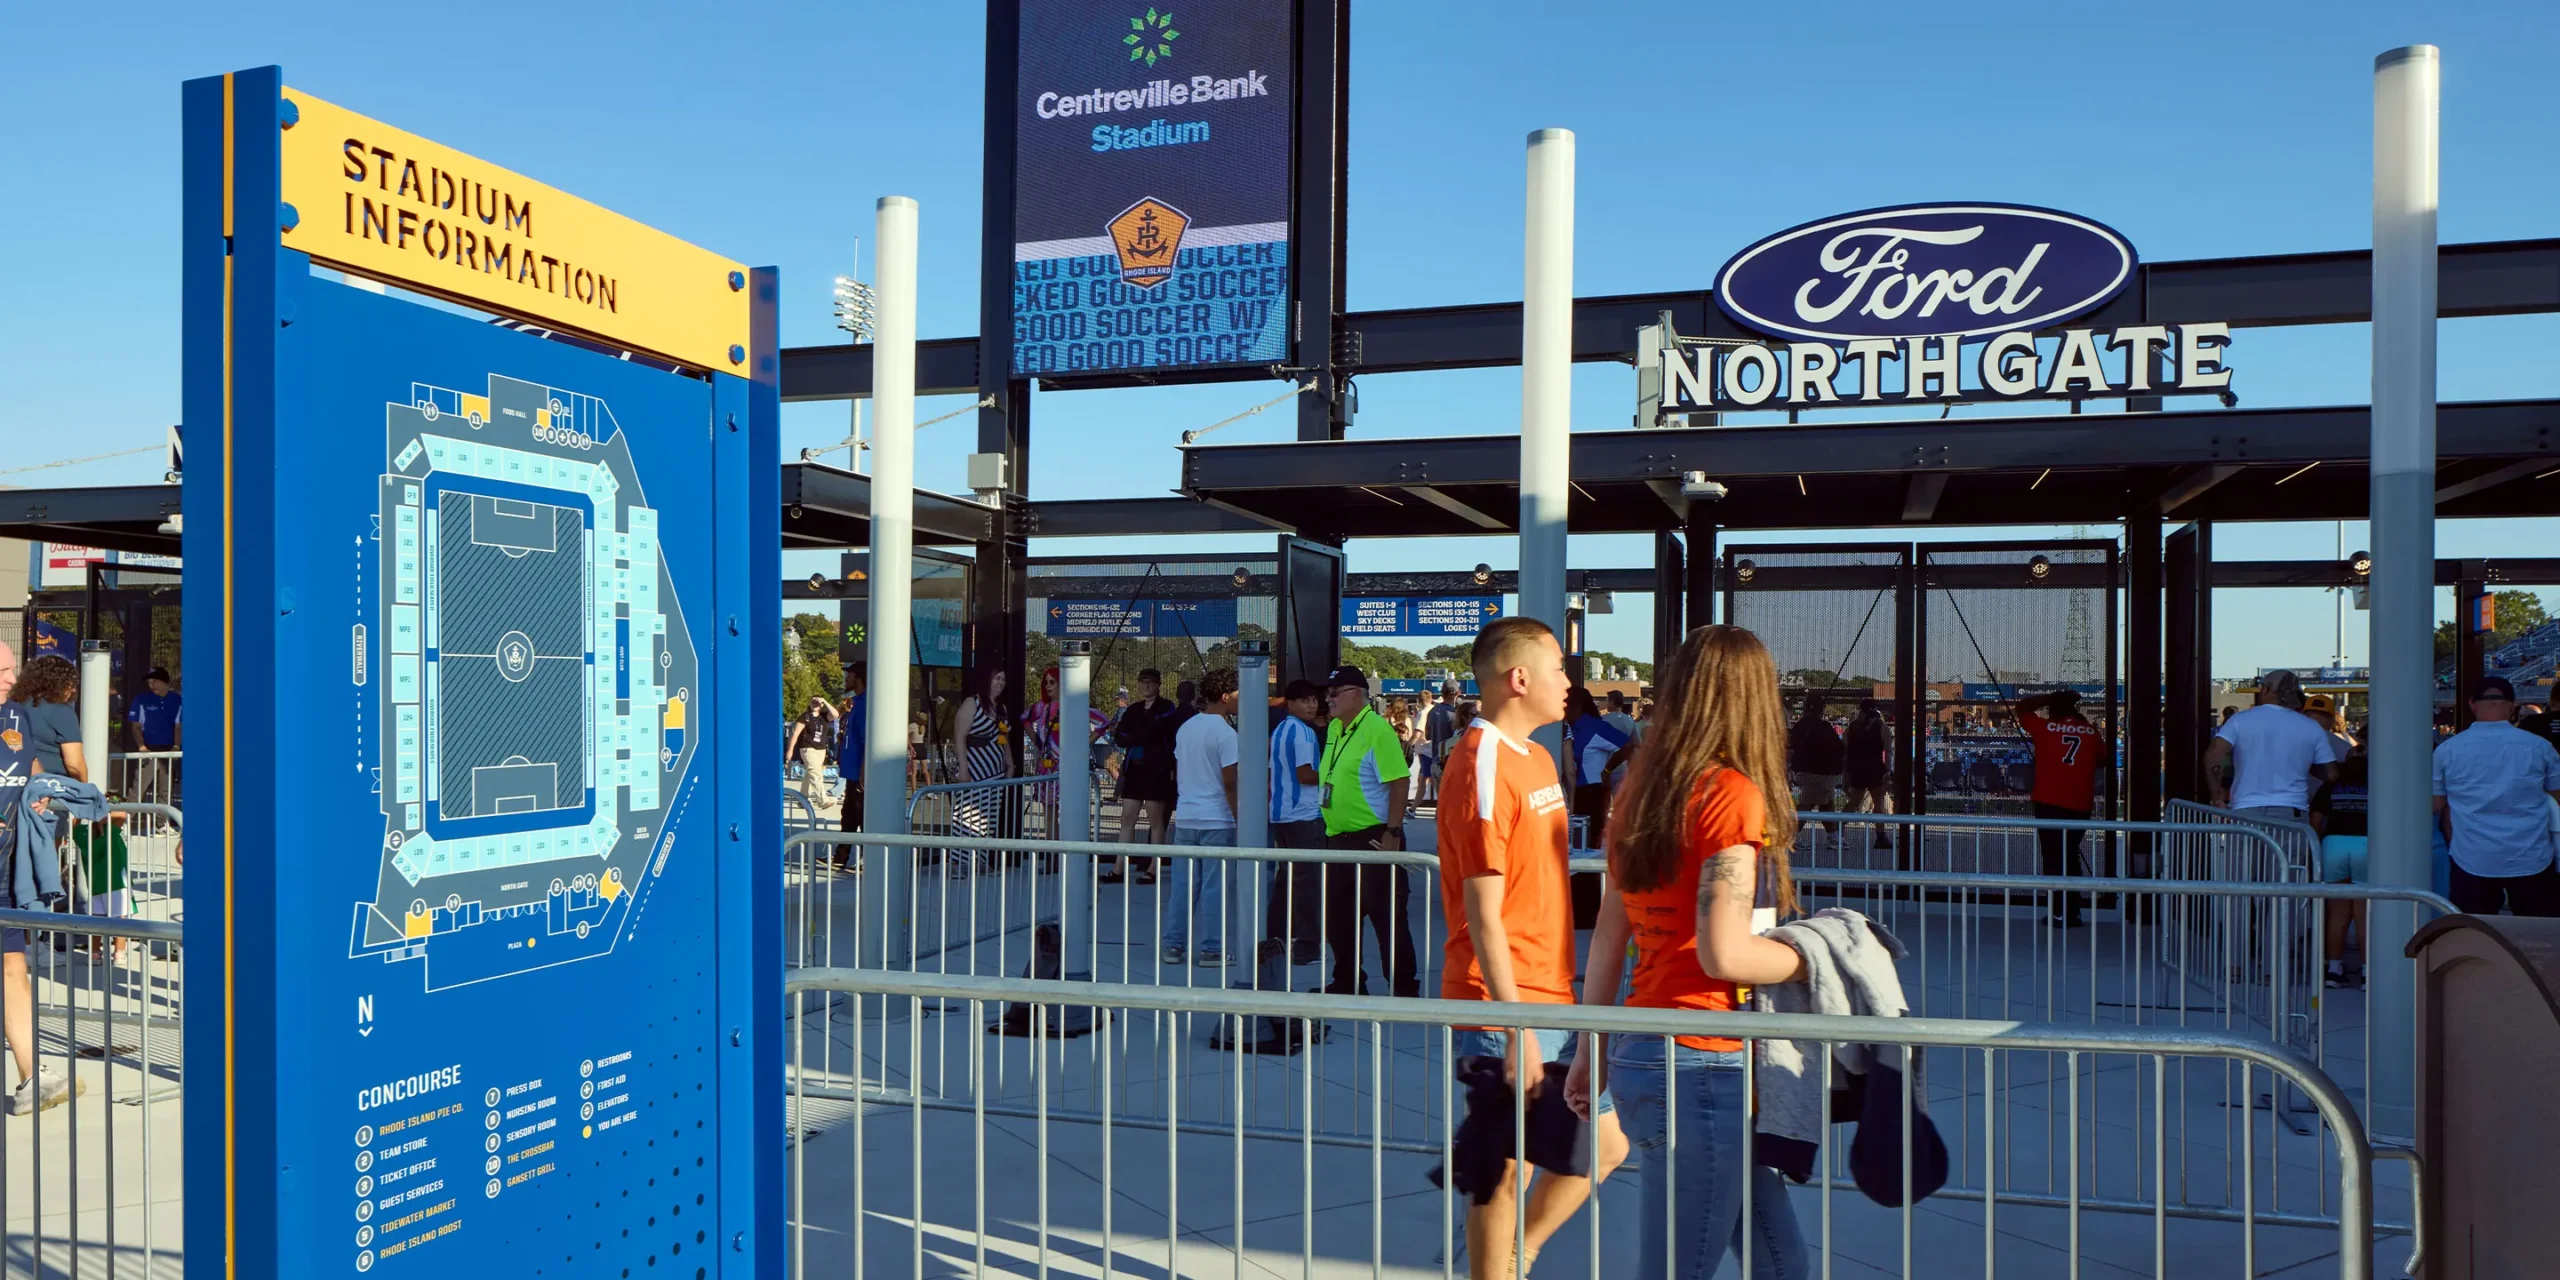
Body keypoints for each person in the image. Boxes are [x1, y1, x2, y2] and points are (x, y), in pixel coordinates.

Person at [1565, 624, 1810, 1280]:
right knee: (1683, 1264)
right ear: (1754, 699)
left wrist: (1591, 1049)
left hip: (1648, 1049)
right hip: (1702, 1060)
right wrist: (1816, 957)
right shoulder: (1730, 795)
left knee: (1780, 1256)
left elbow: (1610, 937)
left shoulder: (1638, 788)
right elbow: (1724, 954)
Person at [1437, 617, 1627, 1277]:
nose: (1569, 683)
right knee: (1504, 1165)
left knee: (1605, 1148)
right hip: (1504, 1004)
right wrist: (1517, 1027)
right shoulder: (1480, 762)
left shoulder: (1540, 757)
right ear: (1519, 679)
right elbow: (1484, 912)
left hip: (1554, 994)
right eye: (1558, 669)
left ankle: (1521, 1252)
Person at [0, 673, 78, 1116]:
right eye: (4, 671)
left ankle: (32, 1078)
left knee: (14, 969)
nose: (13, 678)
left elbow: (30, 767)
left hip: (6, 867)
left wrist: (42, 792)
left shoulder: (16, 715)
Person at [1317, 667, 1419, 997]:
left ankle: (1402, 988)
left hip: (1375, 838)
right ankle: (1347, 981)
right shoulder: (1335, 728)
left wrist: (1393, 831)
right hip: (1339, 839)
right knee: (1340, 919)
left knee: (1387, 917)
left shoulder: (1377, 730)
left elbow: (1399, 781)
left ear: (1358, 694)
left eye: (1336, 691)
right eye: (1327, 692)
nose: (1328, 698)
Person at [2432, 675, 2560, 916]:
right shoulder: (2539, 746)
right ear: (2513, 706)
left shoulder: (2448, 750)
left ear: (2472, 704)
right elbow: (2557, 795)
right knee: (2536, 939)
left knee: (2477, 938)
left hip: (2471, 857)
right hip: (2531, 856)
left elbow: (2437, 804)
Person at [1163, 667, 1242, 967]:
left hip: (1186, 817)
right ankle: (1212, 949)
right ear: (1225, 696)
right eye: (1237, 694)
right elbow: (1231, 784)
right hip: (1218, 819)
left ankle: (1173, 946)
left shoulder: (1187, 728)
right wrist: (1240, 820)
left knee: (1183, 886)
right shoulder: (1227, 734)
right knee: (1215, 888)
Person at [2017, 690, 2104, 925]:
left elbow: (2022, 708)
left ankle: (2058, 911)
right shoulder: (2091, 732)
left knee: (2053, 859)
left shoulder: (2045, 728)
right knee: (2070, 856)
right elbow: (2103, 758)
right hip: (2080, 804)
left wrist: (2048, 697)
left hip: (2049, 802)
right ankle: (2073, 910)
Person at [2205, 669, 2337, 824]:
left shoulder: (2239, 720)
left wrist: (2217, 800)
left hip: (2245, 811)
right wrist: (2304, 764)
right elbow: (2331, 774)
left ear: (2267, 689)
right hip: (2292, 812)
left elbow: (2213, 756)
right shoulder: (2311, 727)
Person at [1265, 680, 1327, 964]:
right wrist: (1333, 772)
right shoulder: (1304, 733)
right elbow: (1305, 775)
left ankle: (1275, 938)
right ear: (1290, 703)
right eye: (1304, 700)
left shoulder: (1280, 730)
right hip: (1304, 814)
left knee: (1286, 880)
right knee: (1308, 884)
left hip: (1281, 814)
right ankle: (1307, 946)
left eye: (1314, 699)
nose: (1311, 705)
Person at [1108, 668, 1178, 884]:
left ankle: (1153, 868)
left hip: (1157, 771)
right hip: (1134, 771)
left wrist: (1137, 735)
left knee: (1156, 821)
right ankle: (1118, 869)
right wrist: (1142, 735)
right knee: (1127, 818)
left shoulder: (1167, 707)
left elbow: (1159, 731)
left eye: (1150, 682)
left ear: (1158, 685)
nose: (1146, 686)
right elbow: (1120, 736)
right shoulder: (1133, 709)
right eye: (1142, 682)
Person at [2310, 747, 2371, 985]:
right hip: (2367, 844)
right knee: (2364, 912)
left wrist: (2318, 845)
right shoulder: (2378, 784)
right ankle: (2367, 972)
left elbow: (2315, 820)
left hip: (2334, 844)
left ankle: (2334, 970)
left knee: (2337, 911)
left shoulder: (2331, 786)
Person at [952, 664, 1012, 848]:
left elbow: (1004, 738)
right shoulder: (972, 703)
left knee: (988, 818)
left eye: (1003, 679)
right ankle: (959, 861)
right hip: (974, 770)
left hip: (995, 771)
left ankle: (980, 858)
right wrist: (963, 769)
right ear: (988, 680)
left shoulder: (1001, 708)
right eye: (997, 678)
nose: (1000, 682)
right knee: (967, 816)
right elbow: (960, 737)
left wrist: (1010, 764)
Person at [1562, 688, 1631, 847]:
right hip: (1575, 790)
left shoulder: (1594, 726)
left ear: (1576, 706)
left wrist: (1607, 771)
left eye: (1565, 705)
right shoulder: (1570, 728)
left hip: (1592, 790)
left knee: (1588, 841)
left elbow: (1626, 745)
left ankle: (1590, 872)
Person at [15, 656, 86, 782]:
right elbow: (75, 765)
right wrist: (84, 792)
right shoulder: (61, 712)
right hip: (53, 787)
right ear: (58, 683)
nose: (73, 690)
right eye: (70, 684)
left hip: (15, 783)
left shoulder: (15, 705)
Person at [1788, 693, 1846, 815]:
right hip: (1821, 773)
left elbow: (1791, 747)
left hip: (1809, 772)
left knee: (1826, 805)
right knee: (1808, 806)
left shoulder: (1800, 726)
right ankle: (1791, 833)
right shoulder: (1824, 727)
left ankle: (1833, 833)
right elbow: (1840, 749)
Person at [1841, 697, 1893, 818]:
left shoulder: (1852, 727)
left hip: (1856, 769)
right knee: (1878, 804)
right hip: (1875, 768)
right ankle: (1880, 835)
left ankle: (1838, 828)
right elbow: (1888, 750)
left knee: (1855, 802)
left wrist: (1846, 772)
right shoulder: (1882, 726)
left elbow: (1845, 752)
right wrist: (1887, 770)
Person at [785, 695, 839, 810]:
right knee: (816, 774)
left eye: (817, 702)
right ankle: (823, 800)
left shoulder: (824, 716)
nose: (815, 703)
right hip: (808, 749)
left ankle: (802, 798)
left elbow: (836, 715)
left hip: (821, 750)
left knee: (810, 774)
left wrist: (825, 701)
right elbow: (795, 734)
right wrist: (790, 750)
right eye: (813, 701)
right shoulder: (805, 717)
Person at [1422, 681, 1462, 806]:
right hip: (1450, 763)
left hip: (1436, 761)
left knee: (1442, 804)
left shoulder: (1432, 712)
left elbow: (1428, 736)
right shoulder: (1456, 714)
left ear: (1442, 693)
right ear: (1458, 693)